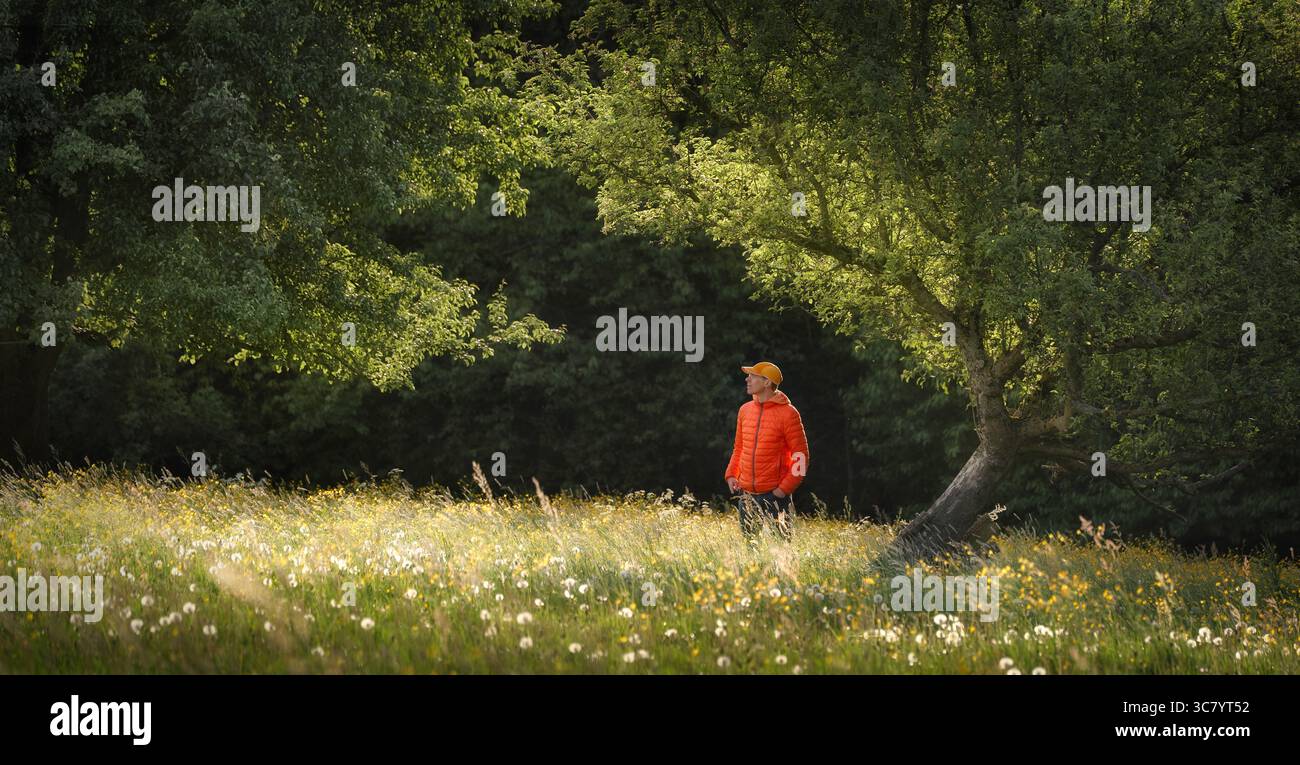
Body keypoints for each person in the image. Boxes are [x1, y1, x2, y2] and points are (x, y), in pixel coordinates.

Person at [724, 361, 809, 541]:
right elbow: (739, 448)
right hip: (746, 497)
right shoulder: (744, 410)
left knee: (782, 552)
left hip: (776, 497)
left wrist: (782, 491)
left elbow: (801, 458)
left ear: (767, 382)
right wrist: (732, 474)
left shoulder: (789, 414)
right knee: (750, 552)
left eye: (752, 376)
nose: (747, 379)